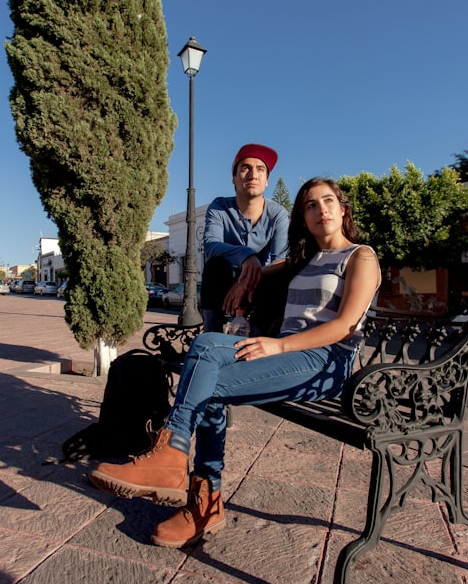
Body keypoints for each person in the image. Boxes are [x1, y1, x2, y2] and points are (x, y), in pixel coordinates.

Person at [89, 177, 380, 548]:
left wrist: (278, 346)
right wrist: (248, 276)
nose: (320, 209)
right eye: (310, 204)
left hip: (327, 365)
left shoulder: (361, 256)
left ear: (343, 209)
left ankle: (190, 484)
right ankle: (190, 480)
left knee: (205, 378)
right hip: (291, 354)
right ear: (303, 218)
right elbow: (259, 269)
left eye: (327, 201)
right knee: (208, 348)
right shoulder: (304, 261)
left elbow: (344, 326)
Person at [200, 143, 290, 334]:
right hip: (224, 287)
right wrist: (246, 255)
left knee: (279, 279)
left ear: (266, 180)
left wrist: (246, 281)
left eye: (260, 169)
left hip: (262, 284)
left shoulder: (278, 214)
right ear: (234, 178)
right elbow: (211, 245)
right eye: (245, 168)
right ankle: (210, 335)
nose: (253, 174)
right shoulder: (219, 207)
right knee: (215, 266)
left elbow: (280, 260)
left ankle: (264, 339)